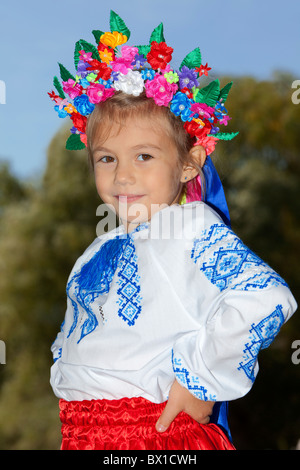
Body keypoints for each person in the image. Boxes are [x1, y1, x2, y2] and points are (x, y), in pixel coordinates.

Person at [48, 11, 297, 450]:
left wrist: (200, 381)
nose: (122, 175)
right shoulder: (98, 247)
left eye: (143, 156)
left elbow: (264, 297)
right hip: (84, 434)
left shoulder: (189, 225)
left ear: (189, 163)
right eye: (107, 159)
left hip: (153, 434)